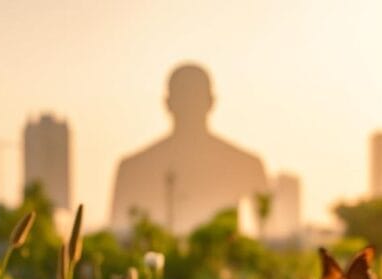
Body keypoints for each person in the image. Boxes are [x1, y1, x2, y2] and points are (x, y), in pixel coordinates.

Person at [111, 64, 268, 236]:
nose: (189, 105)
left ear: (168, 103)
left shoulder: (247, 165)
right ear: (211, 101)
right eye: (185, 98)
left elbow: (270, 234)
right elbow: (115, 234)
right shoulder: (132, 168)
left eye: (193, 98)